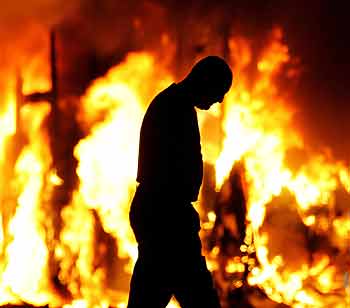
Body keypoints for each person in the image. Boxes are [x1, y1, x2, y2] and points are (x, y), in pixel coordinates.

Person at [127, 56, 233, 308]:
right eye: (219, 92)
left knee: (150, 292)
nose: (219, 100)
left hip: (162, 214)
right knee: (198, 295)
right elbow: (170, 173)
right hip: (166, 217)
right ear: (205, 80)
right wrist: (181, 214)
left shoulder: (174, 105)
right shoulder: (174, 109)